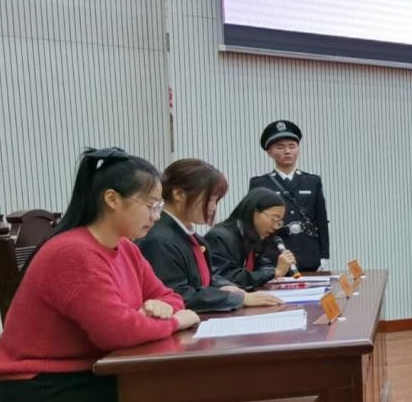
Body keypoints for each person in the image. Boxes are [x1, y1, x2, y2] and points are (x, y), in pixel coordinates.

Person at [0, 147, 200, 402]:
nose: (157, 215)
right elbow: (116, 332)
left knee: (157, 400)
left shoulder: (125, 248)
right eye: (151, 205)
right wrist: (175, 320)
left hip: (81, 380)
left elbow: (168, 294)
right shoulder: (73, 252)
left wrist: (164, 307)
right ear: (112, 199)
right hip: (39, 394)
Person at [139, 159, 283, 312]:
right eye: (210, 199)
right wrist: (239, 299)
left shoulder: (189, 236)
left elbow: (205, 277)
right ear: (178, 194)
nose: (213, 207)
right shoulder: (159, 240)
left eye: (216, 200)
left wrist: (224, 286)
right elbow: (178, 294)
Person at [249, 120, 329, 273]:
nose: (287, 151)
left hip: (308, 254)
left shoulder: (312, 181)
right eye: (280, 147)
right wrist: (257, 255)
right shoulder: (259, 184)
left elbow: (321, 221)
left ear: (298, 149)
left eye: (292, 146)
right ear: (270, 152)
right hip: (274, 255)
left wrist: (324, 255)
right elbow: (254, 224)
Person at [204, 188, 299, 289]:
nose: (276, 226)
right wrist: (273, 272)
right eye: (274, 218)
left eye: (279, 222)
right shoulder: (219, 237)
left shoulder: (254, 236)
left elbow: (261, 266)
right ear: (254, 211)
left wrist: (271, 274)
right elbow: (224, 278)